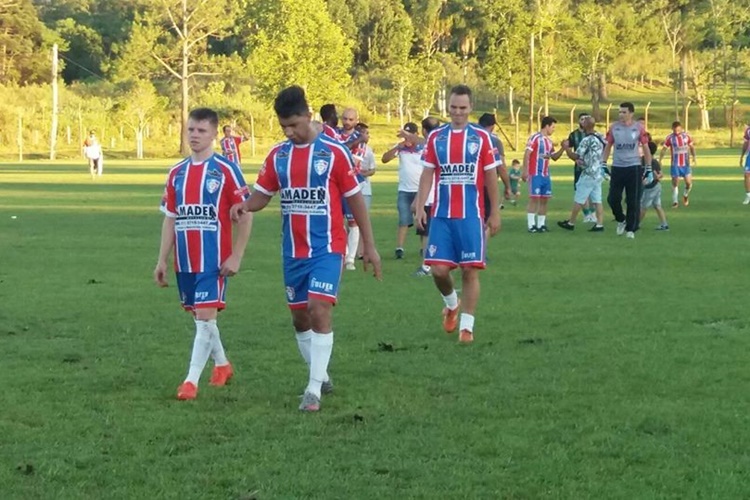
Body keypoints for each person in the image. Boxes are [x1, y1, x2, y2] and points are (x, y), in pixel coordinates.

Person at [229, 86, 382, 412]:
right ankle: (321, 375)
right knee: (300, 318)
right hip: (292, 251)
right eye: (283, 126)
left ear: (308, 116)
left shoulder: (334, 152)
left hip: (328, 247)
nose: (289, 132)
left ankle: (312, 391)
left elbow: (355, 199)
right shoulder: (278, 155)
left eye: (294, 125)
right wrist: (245, 205)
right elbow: (263, 194)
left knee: (318, 308)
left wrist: (369, 245)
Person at [153, 107, 253, 401]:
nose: (195, 135)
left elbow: (246, 214)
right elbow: (170, 218)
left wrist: (237, 255)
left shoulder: (226, 170)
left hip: (214, 260)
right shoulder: (176, 173)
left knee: (206, 317)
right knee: (202, 320)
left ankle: (190, 381)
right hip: (185, 261)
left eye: (201, 131)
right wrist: (162, 259)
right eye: (191, 130)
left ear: (214, 134)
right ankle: (222, 365)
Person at [414, 85, 500, 344]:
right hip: (442, 215)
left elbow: (491, 176)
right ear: (448, 107)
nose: (458, 112)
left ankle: (467, 327)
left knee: (469, 271)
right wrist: (420, 206)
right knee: (438, 270)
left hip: (471, 216)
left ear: (470, 107)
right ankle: (452, 304)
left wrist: (495, 212)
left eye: (463, 107)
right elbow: (427, 173)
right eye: (453, 107)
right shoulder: (436, 137)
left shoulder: (481, 137)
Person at [603, 102, 651, 239]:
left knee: (632, 200)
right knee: (613, 198)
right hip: (617, 167)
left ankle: (631, 229)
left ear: (631, 113)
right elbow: (608, 146)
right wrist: (603, 164)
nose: (621, 115)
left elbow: (646, 148)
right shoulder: (614, 127)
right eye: (620, 112)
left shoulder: (639, 128)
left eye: (624, 112)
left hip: (633, 167)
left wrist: (648, 168)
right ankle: (620, 219)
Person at [381, 122, 425, 259]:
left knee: (422, 220)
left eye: (409, 135)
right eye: (405, 135)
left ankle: (423, 248)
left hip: (420, 190)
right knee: (403, 220)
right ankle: (399, 248)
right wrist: (398, 147)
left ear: (416, 135)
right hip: (404, 190)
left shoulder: (423, 147)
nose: (407, 138)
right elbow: (384, 159)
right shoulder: (400, 147)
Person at [557, 115, 606, 232]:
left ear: (585, 125)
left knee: (579, 198)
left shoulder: (586, 140)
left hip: (588, 173)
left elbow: (576, 156)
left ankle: (571, 222)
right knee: (597, 200)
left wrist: (566, 148)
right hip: (598, 172)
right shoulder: (600, 137)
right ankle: (599, 224)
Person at [522, 116, 565, 233]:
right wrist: (525, 170)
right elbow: (527, 153)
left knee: (544, 200)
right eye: (553, 127)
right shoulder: (535, 138)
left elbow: (554, 157)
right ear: (547, 126)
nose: (553, 130)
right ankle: (531, 225)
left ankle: (541, 224)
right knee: (534, 199)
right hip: (535, 173)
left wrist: (563, 148)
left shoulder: (549, 142)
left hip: (546, 175)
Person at [411, 116, 441, 277]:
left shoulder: (429, 146)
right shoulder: (443, 143)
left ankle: (426, 266)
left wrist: (418, 201)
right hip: (443, 197)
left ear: (423, 130)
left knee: (426, 233)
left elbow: (425, 176)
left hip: (429, 197)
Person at [338, 107, 368, 270]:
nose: (347, 122)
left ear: (356, 121)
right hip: (335, 184)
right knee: (337, 220)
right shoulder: (335, 134)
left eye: (350, 119)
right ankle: (342, 254)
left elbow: (354, 161)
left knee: (353, 222)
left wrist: (340, 152)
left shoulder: (360, 139)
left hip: (351, 183)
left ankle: (350, 259)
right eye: (345, 118)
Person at [352, 122, 376, 264]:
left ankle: (361, 251)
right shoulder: (348, 149)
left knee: (362, 220)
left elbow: (372, 169)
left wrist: (362, 173)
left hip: (365, 189)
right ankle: (348, 251)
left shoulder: (369, 150)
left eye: (368, 133)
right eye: (365, 133)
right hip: (350, 189)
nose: (368, 136)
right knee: (349, 221)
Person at [477, 113, 512, 212]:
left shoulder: (468, 137)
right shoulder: (494, 141)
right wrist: (508, 186)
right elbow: (501, 166)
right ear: (493, 126)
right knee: (487, 215)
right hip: (486, 185)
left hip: (468, 185)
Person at [566, 113, 596, 222]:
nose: (584, 121)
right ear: (579, 121)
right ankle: (587, 214)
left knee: (592, 191)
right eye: (582, 119)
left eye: (586, 119)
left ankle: (593, 214)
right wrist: (575, 160)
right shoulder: (573, 135)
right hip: (579, 168)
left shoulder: (594, 135)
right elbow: (569, 150)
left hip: (592, 168)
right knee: (580, 191)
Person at [659, 121, 697, 208]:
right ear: (672, 129)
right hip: (675, 164)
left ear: (681, 128)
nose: (676, 132)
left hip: (686, 164)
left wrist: (694, 157)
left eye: (678, 130)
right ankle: (675, 201)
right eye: (675, 130)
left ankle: (685, 195)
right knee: (675, 182)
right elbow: (664, 149)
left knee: (688, 183)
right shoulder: (670, 138)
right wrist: (660, 159)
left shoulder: (686, 136)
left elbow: (692, 147)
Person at [640, 142, 669, 230]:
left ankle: (635, 224)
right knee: (657, 206)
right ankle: (664, 224)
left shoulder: (651, 161)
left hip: (651, 187)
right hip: (656, 186)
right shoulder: (644, 160)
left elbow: (660, 175)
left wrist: (656, 176)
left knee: (643, 207)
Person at [740, 124, 750, 204]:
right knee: (747, 175)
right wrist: (742, 156)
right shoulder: (748, 130)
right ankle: (748, 195)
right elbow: (745, 144)